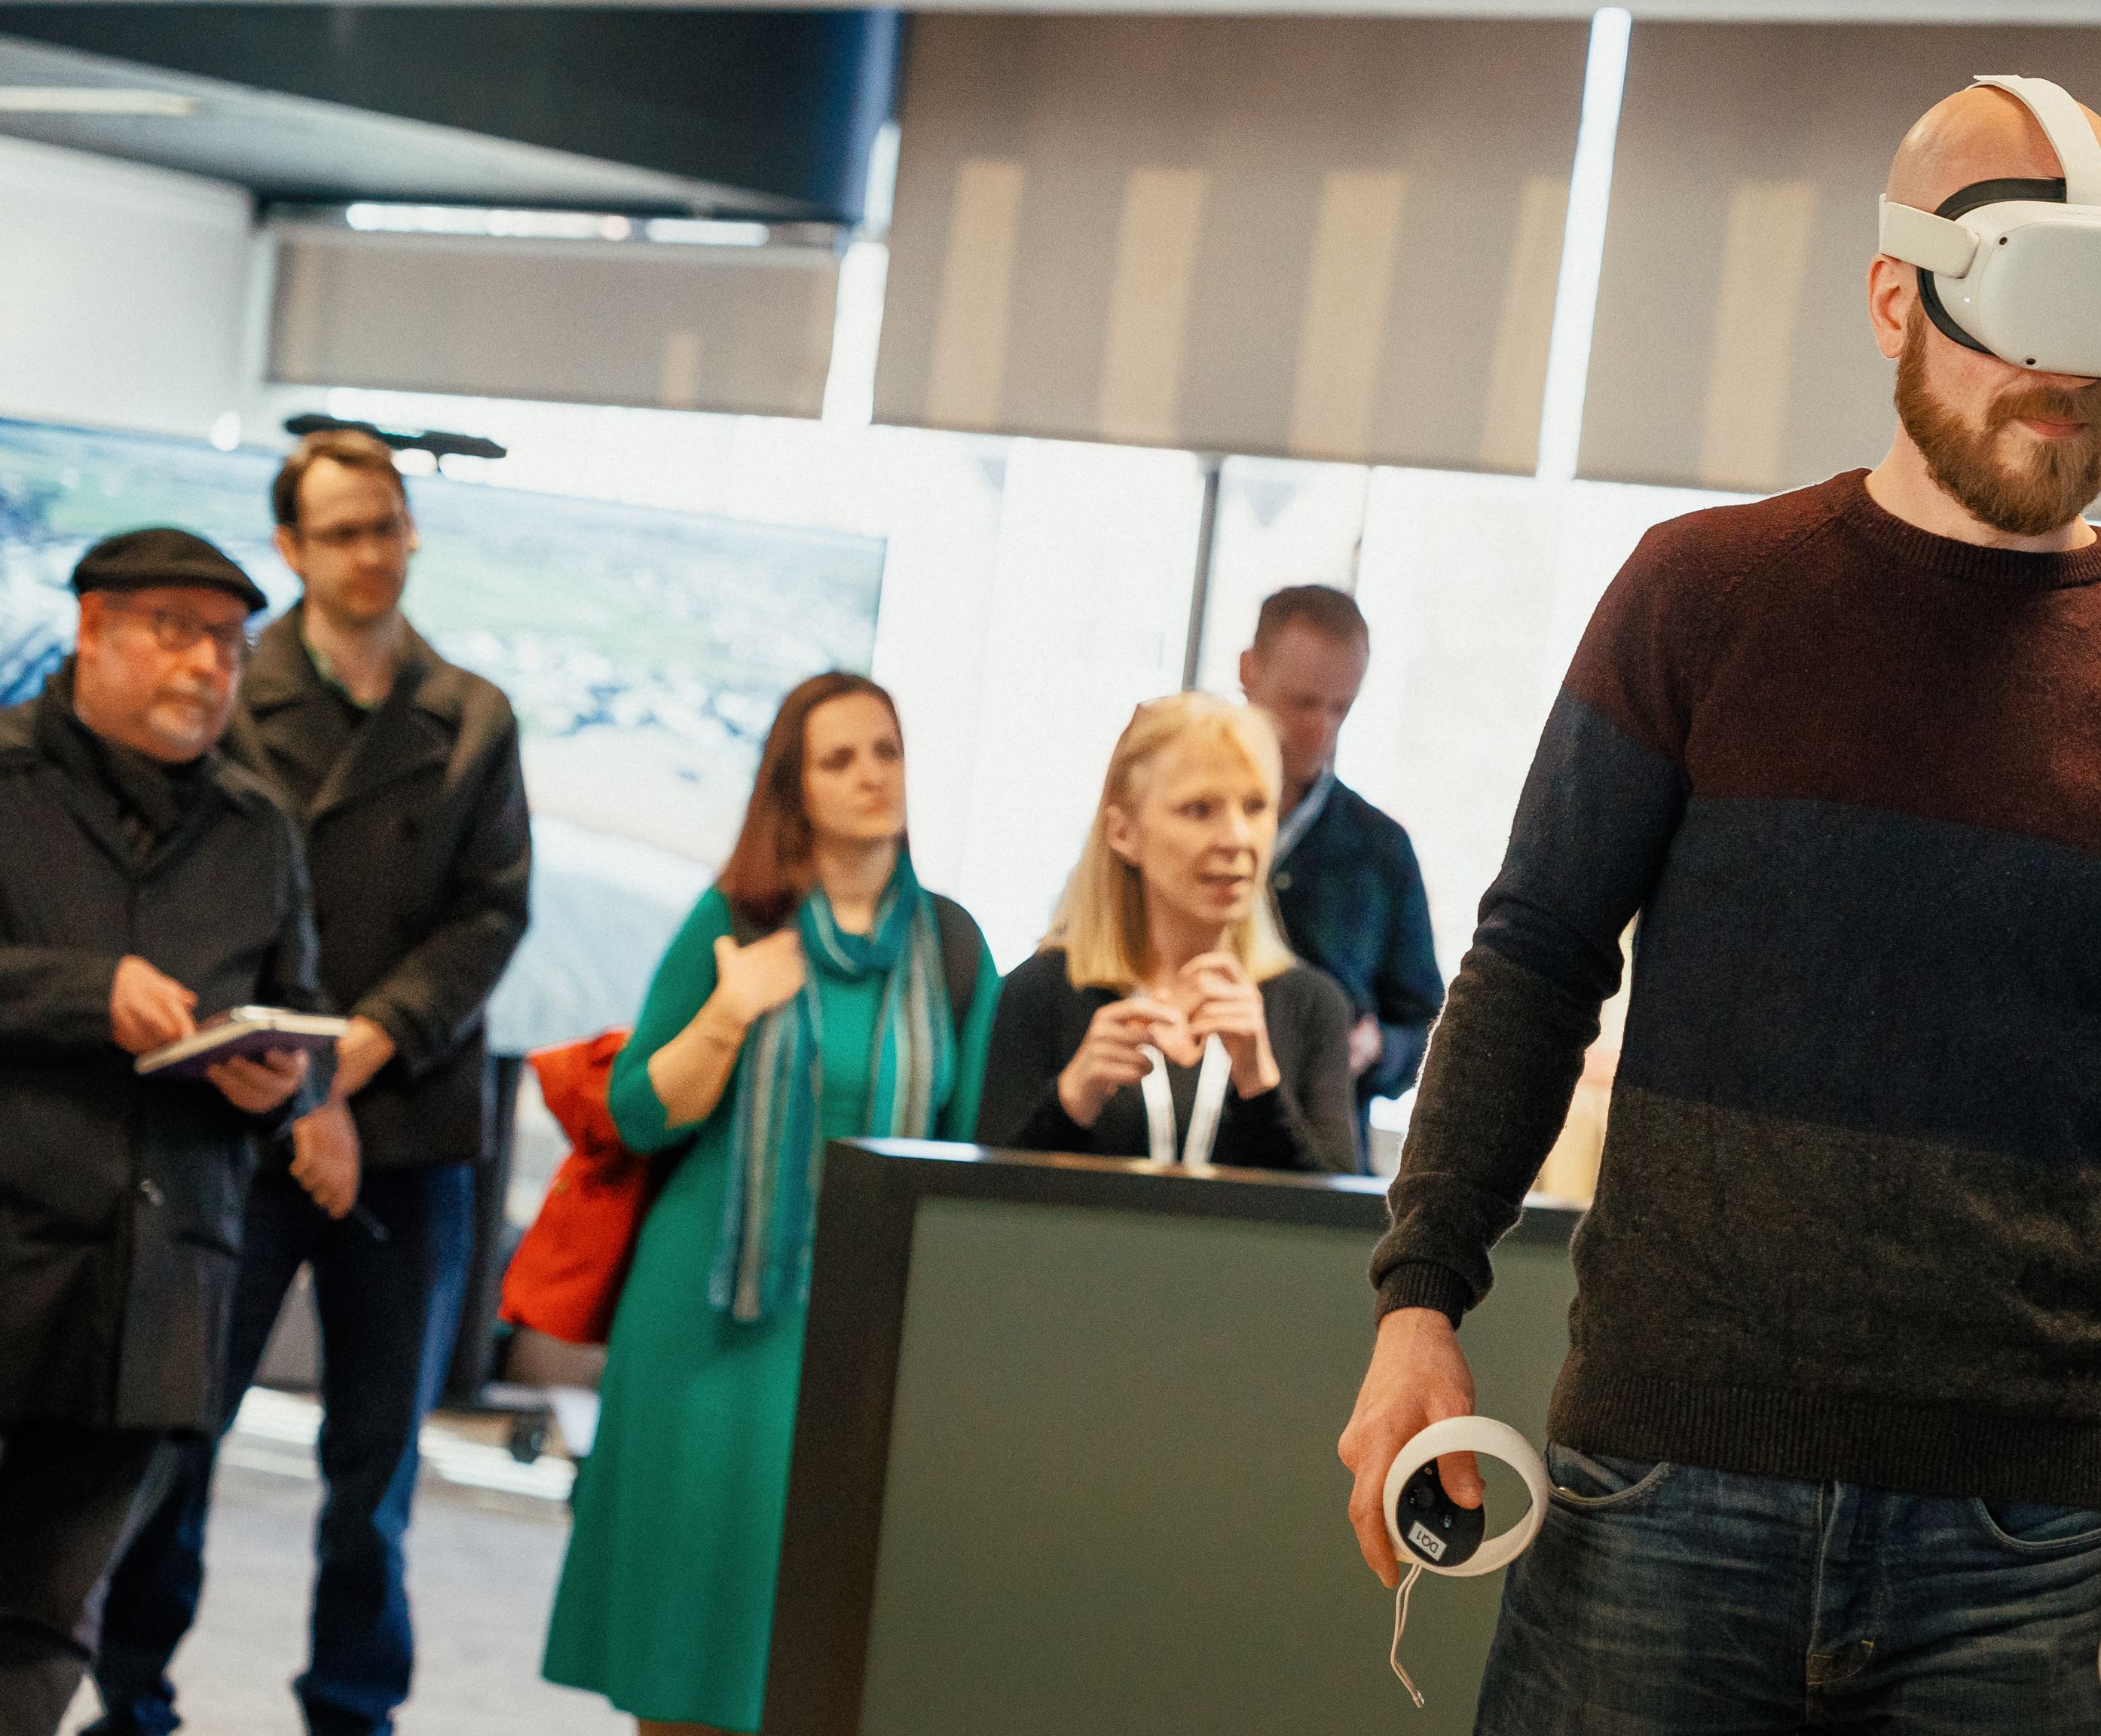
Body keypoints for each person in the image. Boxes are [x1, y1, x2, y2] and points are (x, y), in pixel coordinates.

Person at [1336, 79, 2101, 1733]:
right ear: (1895, 298)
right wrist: (1418, 1297)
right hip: (1656, 1485)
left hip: (2017, 1538)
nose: (2064, 382)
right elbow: (1533, 962)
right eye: (2023, 315)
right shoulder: (1698, 599)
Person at [93, 429, 534, 1736]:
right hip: (240, 1117)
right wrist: (303, 1087)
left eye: (388, 525)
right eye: (341, 530)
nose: (371, 552)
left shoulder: (469, 714)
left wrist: (359, 1050)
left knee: (376, 1464)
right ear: (290, 546)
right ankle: (132, 1697)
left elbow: (490, 912)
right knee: (182, 1432)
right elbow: (213, 899)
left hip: (415, 1116)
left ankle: (354, 1708)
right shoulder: (230, 691)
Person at [540, 673, 997, 1735]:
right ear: (793, 788)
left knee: (824, 1640)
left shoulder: (956, 946)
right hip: (709, 1320)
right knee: (688, 1628)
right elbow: (638, 1110)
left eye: (885, 750)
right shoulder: (734, 919)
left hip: (862, 1330)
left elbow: (971, 1148)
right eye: (840, 759)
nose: (873, 775)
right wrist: (730, 1015)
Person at [0, 530, 320, 1736]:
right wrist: (91, 995)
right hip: (14, 1251)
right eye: (175, 632)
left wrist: (275, 1082)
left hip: (161, 1285)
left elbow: (297, 1003)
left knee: (48, 1616)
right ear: (92, 630)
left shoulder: (257, 830)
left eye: (230, 644)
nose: (207, 667)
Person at [975, 692, 1356, 1173]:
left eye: (1256, 806)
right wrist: (1071, 1103)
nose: (1237, 838)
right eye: (1199, 810)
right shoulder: (1042, 992)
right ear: (1123, 832)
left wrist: (1260, 1086)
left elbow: (1338, 1227)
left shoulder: (1312, 1005)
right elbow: (981, 1215)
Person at [1234, 585, 1444, 1164]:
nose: (1321, 729)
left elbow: (1428, 1026)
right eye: (1301, 703)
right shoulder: (1171, 817)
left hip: (1323, 1151)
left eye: (1340, 707)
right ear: (1248, 672)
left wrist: (1379, 1049)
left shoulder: (1382, 848)